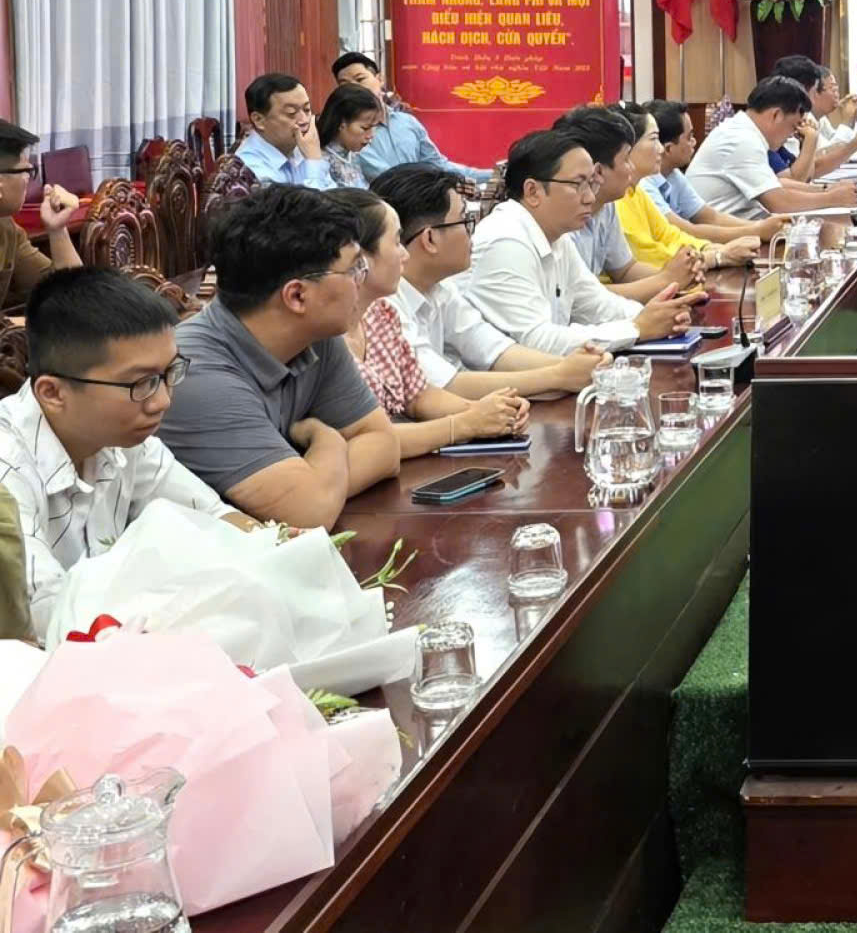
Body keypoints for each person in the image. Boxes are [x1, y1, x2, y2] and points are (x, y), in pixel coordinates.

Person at [2, 268, 258, 640]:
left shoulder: (122, 436)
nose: (162, 401)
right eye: (142, 382)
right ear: (53, 393)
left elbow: (214, 516)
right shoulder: (7, 470)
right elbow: (46, 615)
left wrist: (274, 543)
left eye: (169, 373)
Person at [156, 185, 398, 528]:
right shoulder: (194, 371)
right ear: (297, 296)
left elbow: (384, 447)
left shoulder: (315, 336)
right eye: (354, 268)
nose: (363, 279)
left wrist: (318, 482)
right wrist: (326, 437)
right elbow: (309, 513)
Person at [369, 163, 603, 401]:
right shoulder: (382, 304)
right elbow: (442, 388)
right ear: (429, 239)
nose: (473, 231)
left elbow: (494, 350)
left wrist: (577, 367)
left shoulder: (440, 288)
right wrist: (558, 375)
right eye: (465, 220)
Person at [326, 188, 530, 460]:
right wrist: (465, 424)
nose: (405, 254)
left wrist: (490, 411)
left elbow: (419, 395)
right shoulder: (321, 339)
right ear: (358, 258)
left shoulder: (381, 314)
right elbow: (370, 439)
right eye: (396, 242)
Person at [468, 130, 703, 354]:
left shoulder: (556, 237)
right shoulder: (505, 241)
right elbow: (536, 340)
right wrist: (637, 328)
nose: (590, 197)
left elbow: (598, 305)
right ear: (532, 191)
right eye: (577, 185)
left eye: (591, 183)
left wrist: (659, 316)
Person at [553, 108, 702, 303]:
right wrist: (666, 280)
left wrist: (679, 278)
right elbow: (582, 299)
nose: (631, 168)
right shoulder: (562, 220)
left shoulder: (607, 206)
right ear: (597, 171)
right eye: (625, 159)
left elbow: (625, 270)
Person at [686, 79, 857, 218]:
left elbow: (775, 183)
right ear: (776, 115)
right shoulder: (741, 140)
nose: (792, 134)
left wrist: (827, 189)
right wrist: (831, 198)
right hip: (720, 237)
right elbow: (778, 202)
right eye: (793, 126)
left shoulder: (745, 131)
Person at [611, 105, 758, 271]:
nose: (661, 148)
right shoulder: (616, 201)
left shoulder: (636, 191)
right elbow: (650, 257)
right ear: (627, 148)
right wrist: (717, 256)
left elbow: (670, 235)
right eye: (654, 139)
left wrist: (710, 248)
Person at [636, 101, 787, 245]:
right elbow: (685, 231)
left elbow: (709, 216)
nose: (694, 142)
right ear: (668, 148)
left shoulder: (673, 174)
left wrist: (761, 227)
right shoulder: (643, 184)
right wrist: (757, 231)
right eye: (689, 137)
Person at [332, 52, 490, 183]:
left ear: (380, 79)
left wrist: (490, 177)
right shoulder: (347, 133)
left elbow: (439, 166)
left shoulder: (407, 122)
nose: (354, 87)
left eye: (360, 79)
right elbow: (387, 177)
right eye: (345, 84)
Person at [0, 119, 83, 311]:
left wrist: (57, 229)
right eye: (27, 171)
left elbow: (74, 294)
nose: (28, 179)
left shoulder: (7, 230)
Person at [770, 54, 857, 177]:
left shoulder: (812, 118)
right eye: (833, 88)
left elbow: (802, 173)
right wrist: (853, 135)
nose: (837, 94)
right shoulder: (790, 120)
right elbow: (819, 164)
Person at [234, 73, 335, 190]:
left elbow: (336, 197)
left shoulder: (302, 148)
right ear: (258, 120)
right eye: (291, 113)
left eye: (307, 110)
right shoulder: (248, 167)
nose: (304, 120)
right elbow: (313, 202)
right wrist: (314, 161)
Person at [315, 84, 383, 190]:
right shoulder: (318, 160)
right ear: (341, 123)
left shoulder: (355, 154)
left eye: (373, 127)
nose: (370, 135)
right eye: (365, 128)